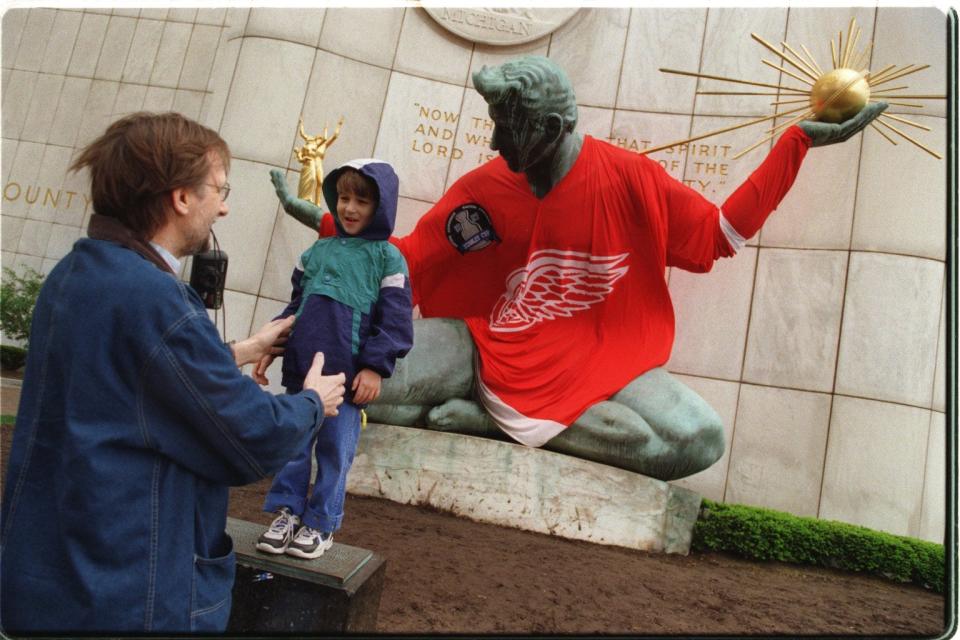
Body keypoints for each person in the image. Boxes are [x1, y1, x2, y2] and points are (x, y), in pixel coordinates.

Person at [282, 56, 886, 482]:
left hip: (606, 360)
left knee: (700, 438)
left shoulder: (629, 178)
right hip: (486, 347)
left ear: (547, 128)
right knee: (353, 376)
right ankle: (498, 414)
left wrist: (794, 146)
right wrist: (335, 225)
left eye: (505, 126)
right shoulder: (486, 190)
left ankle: (497, 424)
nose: (493, 141)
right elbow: (411, 258)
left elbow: (717, 235)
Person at [0, 112, 347, 634]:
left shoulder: (74, 274)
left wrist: (237, 350)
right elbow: (251, 437)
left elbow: (127, 379)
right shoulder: (156, 299)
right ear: (181, 197)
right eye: (219, 189)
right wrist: (311, 402)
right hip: (127, 592)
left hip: (49, 579)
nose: (225, 207)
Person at [254, 160, 413, 558]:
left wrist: (376, 367)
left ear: (382, 206)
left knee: (333, 452)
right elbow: (295, 306)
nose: (350, 208)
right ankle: (287, 512)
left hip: (345, 383)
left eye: (362, 200)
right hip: (301, 374)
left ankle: (321, 523)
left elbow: (395, 321)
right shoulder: (316, 251)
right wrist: (268, 347)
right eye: (343, 198)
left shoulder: (388, 259)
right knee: (293, 446)